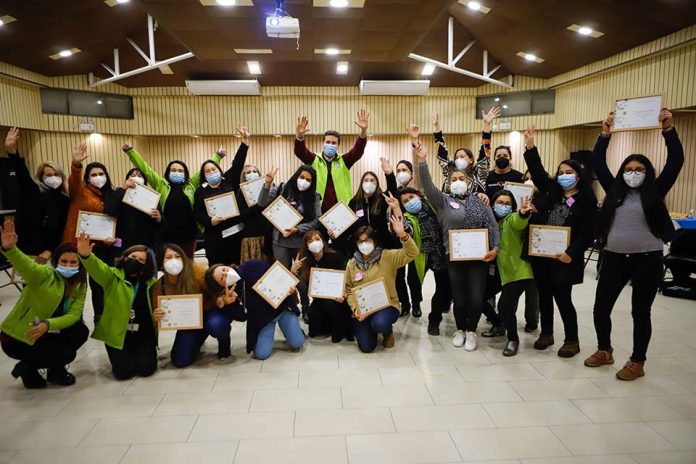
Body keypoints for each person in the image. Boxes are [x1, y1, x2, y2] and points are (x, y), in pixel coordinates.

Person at [585, 109, 683, 380]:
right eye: (628, 170)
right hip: (614, 257)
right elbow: (598, 162)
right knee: (600, 308)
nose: (633, 174)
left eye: (639, 170)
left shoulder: (656, 189)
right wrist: (605, 135)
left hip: (647, 259)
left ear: (647, 172)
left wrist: (668, 131)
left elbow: (676, 161)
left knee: (641, 312)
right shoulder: (614, 188)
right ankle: (604, 350)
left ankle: (637, 361)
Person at [416, 142, 500, 351]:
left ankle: (471, 331)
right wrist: (423, 161)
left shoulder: (480, 201)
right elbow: (427, 185)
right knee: (460, 298)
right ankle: (460, 329)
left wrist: (496, 248)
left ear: (469, 181)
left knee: (476, 297)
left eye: (461, 178)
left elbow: (492, 226)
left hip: (480, 259)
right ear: (449, 182)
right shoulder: (443, 201)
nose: (458, 181)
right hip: (453, 258)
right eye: (454, 179)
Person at [523, 125, 597, 358]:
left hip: (565, 257)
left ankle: (572, 340)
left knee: (563, 298)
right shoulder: (551, 191)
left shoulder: (586, 199)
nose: (564, 175)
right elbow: (536, 172)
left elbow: (587, 232)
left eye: (569, 172)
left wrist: (572, 252)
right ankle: (546, 334)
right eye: (561, 171)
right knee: (544, 295)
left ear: (578, 176)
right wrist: (530, 147)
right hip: (542, 254)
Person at [0, 220, 89, 388]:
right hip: (19, 336)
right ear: (56, 262)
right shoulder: (44, 275)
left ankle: (54, 370)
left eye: (73, 262)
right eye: (64, 261)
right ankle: (28, 368)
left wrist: (48, 325)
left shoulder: (80, 284)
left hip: (45, 330)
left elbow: (74, 315)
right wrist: (10, 249)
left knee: (79, 331)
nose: (68, 265)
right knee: (67, 353)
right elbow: (26, 266)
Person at [77, 233, 160, 380]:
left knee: (146, 369)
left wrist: (157, 314)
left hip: (143, 334)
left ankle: (141, 352)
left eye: (141, 260)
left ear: (146, 265)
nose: (136, 261)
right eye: (133, 257)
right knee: (124, 373)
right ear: (125, 257)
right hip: (118, 336)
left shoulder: (151, 283)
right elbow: (97, 268)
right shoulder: (111, 276)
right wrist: (86, 256)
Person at [122, 143, 225, 258]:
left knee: (187, 265)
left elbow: (205, 167)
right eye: (174, 170)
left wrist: (218, 156)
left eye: (180, 171)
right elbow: (146, 169)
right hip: (167, 235)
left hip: (189, 235)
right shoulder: (160, 184)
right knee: (169, 265)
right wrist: (131, 151)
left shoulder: (191, 185)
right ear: (169, 172)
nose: (177, 172)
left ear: (185, 174)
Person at [159, 244, 246, 367]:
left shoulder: (198, 271)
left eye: (178, 256)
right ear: (161, 261)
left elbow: (216, 292)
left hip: (210, 312)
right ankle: (197, 340)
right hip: (189, 321)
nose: (174, 260)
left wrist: (220, 302)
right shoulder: (160, 283)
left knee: (216, 324)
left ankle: (224, 342)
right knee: (180, 361)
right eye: (168, 257)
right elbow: (157, 307)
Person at [206, 261, 305, 360]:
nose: (226, 274)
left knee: (297, 343)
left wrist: (289, 288)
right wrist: (230, 304)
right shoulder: (230, 294)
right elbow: (243, 317)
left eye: (224, 269)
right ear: (221, 286)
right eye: (222, 278)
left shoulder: (253, 265)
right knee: (261, 354)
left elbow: (278, 277)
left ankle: (295, 331)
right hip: (263, 320)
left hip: (282, 309)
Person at [345, 218, 418, 353]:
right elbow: (348, 289)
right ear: (356, 244)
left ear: (374, 241)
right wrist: (356, 310)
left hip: (387, 305)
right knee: (366, 347)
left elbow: (412, 253)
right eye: (361, 241)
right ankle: (371, 329)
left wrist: (403, 235)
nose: (364, 244)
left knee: (380, 323)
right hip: (364, 310)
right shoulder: (352, 264)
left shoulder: (388, 257)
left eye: (368, 240)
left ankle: (386, 331)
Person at [64, 142, 115, 324]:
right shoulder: (80, 191)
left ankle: (100, 318)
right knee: (74, 285)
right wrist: (76, 165)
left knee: (99, 285)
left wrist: (113, 240)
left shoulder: (111, 193)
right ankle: (70, 320)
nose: (98, 177)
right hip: (75, 245)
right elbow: (73, 181)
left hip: (100, 248)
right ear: (87, 177)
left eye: (101, 174)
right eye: (93, 174)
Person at [4, 127, 69, 262]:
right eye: (49, 175)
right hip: (28, 250)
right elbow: (23, 174)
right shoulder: (33, 192)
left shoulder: (64, 200)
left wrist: (49, 250)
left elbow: (61, 228)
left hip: (51, 253)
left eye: (56, 174)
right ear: (41, 177)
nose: (53, 177)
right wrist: (12, 151)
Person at [395, 187, 452, 335]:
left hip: (439, 252)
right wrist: (397, 211)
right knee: (414, 281)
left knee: (442, 285)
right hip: (420, 254)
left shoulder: (432, 205)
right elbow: (406, 229)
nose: (410, 202)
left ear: (419, 195)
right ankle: (416, 304)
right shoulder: (408, 216)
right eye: (405, 201)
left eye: (411, 197)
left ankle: (436, 317)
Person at [193, 127, 250, 266]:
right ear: (204, 175)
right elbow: (197, 214)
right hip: (214, 238)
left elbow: (237, 164)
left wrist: (245, 142)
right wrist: (210, 220)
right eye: (207, 171)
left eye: (214, 169)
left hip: (234, 235)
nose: (211, 172)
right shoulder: (200, 191)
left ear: (219, 170)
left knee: (235, 268)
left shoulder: (229, 180)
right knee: (216, 269)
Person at [488, 190, 535, 356]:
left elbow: (519, 222)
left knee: (505, 306)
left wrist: (522, 213)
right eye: (500, 203)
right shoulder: (491, 222)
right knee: (477, 297)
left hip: (517, 272)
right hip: (499, 272)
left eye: (508, 203)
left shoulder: (510, 219)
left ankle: (513, 339)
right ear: (492, 204)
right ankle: (498, 324)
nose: (503, 206)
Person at [293, 109, 370, 212]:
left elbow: (358, 151)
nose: (330, 145)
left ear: (338, 145)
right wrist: (299, 136)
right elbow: (300, 152)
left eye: (334, 143)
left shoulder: (344, 160)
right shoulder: (314, 159)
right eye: (328, 142)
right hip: (318, 209)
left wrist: (363, 132)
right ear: (323, 143)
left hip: (342, 209)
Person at [292, 231, 353, 342]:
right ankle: (328, 325)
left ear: (322, 241)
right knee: (314, 328)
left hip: (338, 299)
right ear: (306, 245)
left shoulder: (335, 256)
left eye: (317, 239)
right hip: (320, 298)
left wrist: (344, 292)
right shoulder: (306, 262)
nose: (315, 243)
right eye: (310, 241)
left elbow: (348, 278)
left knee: (330, 305)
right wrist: (294, 270)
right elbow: (300, 286)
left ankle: (339, 328)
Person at [258, 165, 322, 269]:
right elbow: (262, 203)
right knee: (283, 274)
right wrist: (267, 184)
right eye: (301, 177)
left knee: (301, 275)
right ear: (296, 176)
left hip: (301, 243)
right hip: (279, 242)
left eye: (308, 180)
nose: (304, 181)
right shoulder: (282, 188)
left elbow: (317, 220)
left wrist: (298, 229)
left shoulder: (314, 196)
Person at [430, 107, 500, 196]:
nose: (458, 159)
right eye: (456, 157)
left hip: (474, 208)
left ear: (471, 160)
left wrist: (487, 125)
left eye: (462, 156)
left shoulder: (478, 173)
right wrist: (436, 126)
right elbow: (441, 153)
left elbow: (484, 153)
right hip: (451, 208)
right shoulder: (449, 171)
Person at [104, 168, 163, 253]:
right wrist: (123, 189)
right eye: (133, 176)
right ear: (127, 180)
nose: (136, 178)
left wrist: (159, 218)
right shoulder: (119, 193)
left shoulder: (152, 198)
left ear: (144, 181)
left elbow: (160, 226)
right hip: (122, 244)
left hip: (144, 245)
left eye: (140, 176)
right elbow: (110, 211)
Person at [238, 164, 269, 262]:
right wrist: (257, 206)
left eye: (255, 171)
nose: (252, 174)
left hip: (266, 235)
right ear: (244, 176)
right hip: (250, 236)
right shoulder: (241, 192)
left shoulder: (266, 189)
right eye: (248, 172)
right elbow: (240, 214)